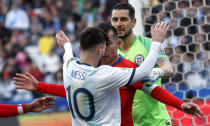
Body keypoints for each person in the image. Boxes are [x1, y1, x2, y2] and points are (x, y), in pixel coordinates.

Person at [13, 23, 203, 125]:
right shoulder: (94, 69)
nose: (104, 51)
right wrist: (40, 86)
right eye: (102, 45)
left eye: (108, 44)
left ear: (117, 44)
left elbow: (152, 89)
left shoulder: (124, 68)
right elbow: (72, 90)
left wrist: (179, 104)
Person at [111, 2, 174, 126]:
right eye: (115, 19)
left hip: (156, 121)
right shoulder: (109, 52)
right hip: (126, 122)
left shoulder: (150, 44)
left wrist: (157, 71)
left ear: (134, 22)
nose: (118, 24)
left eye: (123, 19)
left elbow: (168, 68)